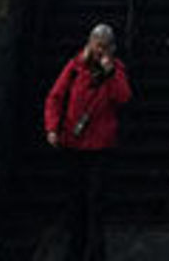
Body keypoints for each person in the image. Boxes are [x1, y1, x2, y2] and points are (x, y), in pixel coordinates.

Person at [44, 22, 132, 261]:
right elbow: (55, 96)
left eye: (104, 47)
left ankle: (94, 252)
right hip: (73, 143)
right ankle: (75, 248)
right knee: (75, 200)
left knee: (95, 201)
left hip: (101, 146)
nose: (99, 52)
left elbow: (123, 97)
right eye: (97, 46)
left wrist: (110, 71)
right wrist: (52, 127)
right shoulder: (74, 68)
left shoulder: (116, 70)